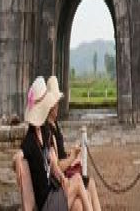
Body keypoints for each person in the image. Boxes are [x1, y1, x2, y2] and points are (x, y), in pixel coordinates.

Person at [22, 76, 92, 211]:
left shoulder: (43, 134)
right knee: (77, 180)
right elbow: (20, 154)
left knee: (77, 204)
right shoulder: (30, 140)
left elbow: (53, 163)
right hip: (47, 204)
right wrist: (17, 161)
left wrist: (61, 177)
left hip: (52, 195)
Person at [46, 76, 102, 211]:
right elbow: (56, 165)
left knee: (91, 184)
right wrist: (71, 158)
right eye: (55, 103)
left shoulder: (54, 124)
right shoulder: (47, 131)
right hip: (59, 181)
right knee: (79, 201)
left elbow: (59, 157)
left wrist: (71, 154)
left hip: (62, 177)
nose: (57, 106)